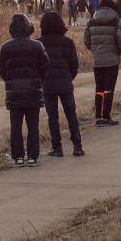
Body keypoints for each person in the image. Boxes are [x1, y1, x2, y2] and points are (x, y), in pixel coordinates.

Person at [0, 14, 48, 165]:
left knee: (15, 126)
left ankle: (17, 156)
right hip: (33, 90)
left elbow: (0, 67)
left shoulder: (5, 47)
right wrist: (39, 80)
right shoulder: (37, 46)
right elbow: (45, 65)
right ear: (28, 28)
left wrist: (10, 80)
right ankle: (33, 156)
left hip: (14, 92)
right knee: (33, 125)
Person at [37, 12, 84, 157]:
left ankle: (56, 147)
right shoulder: (67, 42)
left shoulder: (39, 43)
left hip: (48, 85)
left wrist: (42, 80)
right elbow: (74, 65)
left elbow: (38, 66)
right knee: (71, 115)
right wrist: (69, 77)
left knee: (53, 117)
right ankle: (77, 146)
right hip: (65, 83)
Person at [83, 0, 121, 126]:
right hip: (112, 60)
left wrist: (94, 50)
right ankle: (106, 116)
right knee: (109, 89)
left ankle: (98, 116)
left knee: (99, 88)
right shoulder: (116, 21)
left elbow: (86, 39)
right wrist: (120, 51)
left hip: (97, 60)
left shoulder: (91, 21)